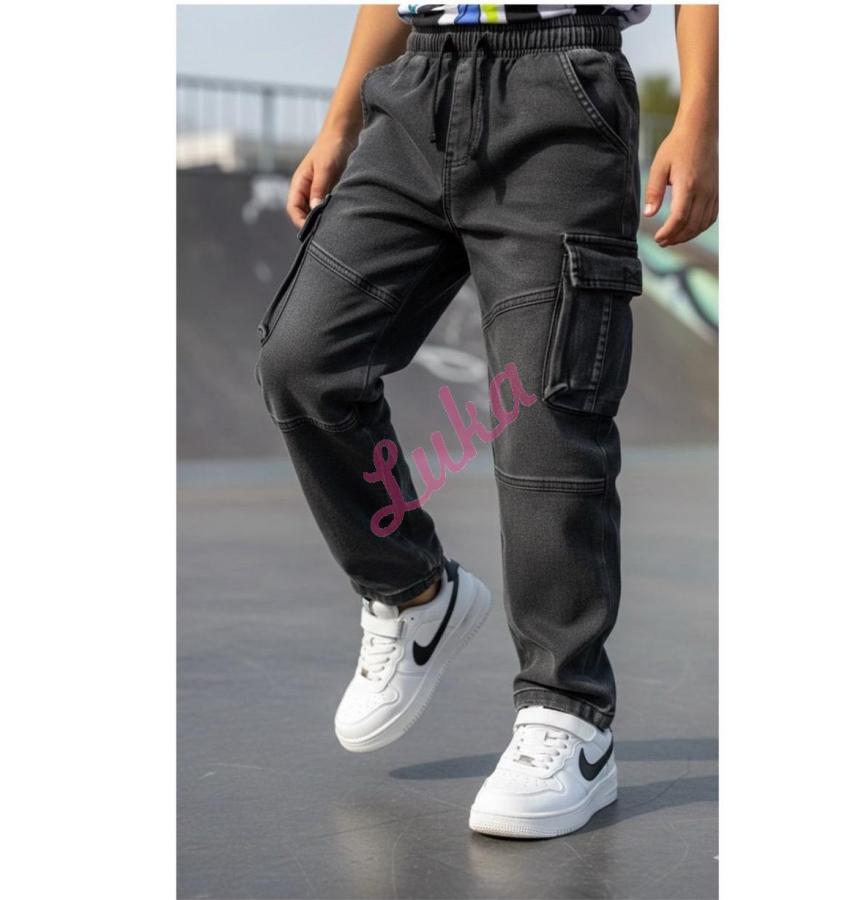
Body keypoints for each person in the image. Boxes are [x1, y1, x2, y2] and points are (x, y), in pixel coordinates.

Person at [257, 3, 717, 839]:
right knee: (304, 358)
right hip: (413, 91)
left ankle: (568, 714)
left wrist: (699, 119)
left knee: (546, 407)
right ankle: (412, 591)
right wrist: (340, 119)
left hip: (560, 93)